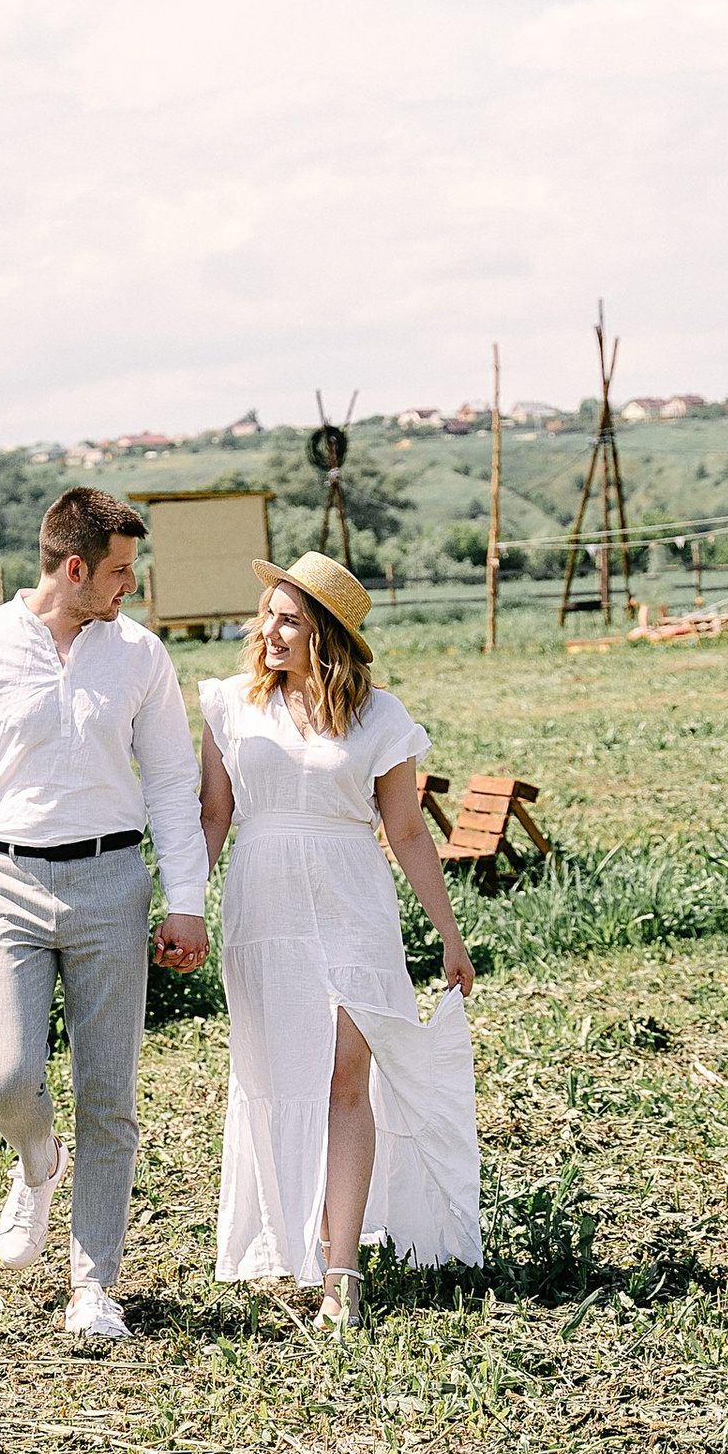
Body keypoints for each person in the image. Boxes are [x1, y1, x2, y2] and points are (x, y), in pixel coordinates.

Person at [0, 487, 209, 1346]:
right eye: (120, 571)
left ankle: (94, 1284)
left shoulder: (141, 656)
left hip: (112, 883)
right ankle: (37, 1164)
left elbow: (173, 781)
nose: (129, 587)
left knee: (109, 1094)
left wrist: (185, 901)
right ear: (74, 568)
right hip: (4, 883)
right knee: (8, 1076)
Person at [197, 551, 484, 1330]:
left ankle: (342, 1271)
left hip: (354, 903)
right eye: (267, 615)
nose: (268, 630)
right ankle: (288, 1238)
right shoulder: (229, 705)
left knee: (345, 1076)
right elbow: (213, 816)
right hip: (263, 910)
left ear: (325, 633)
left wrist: (449, 937)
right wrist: (183, 903)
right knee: (279, 1074)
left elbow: (407, 830)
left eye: (288, 619)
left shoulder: (381, 717)